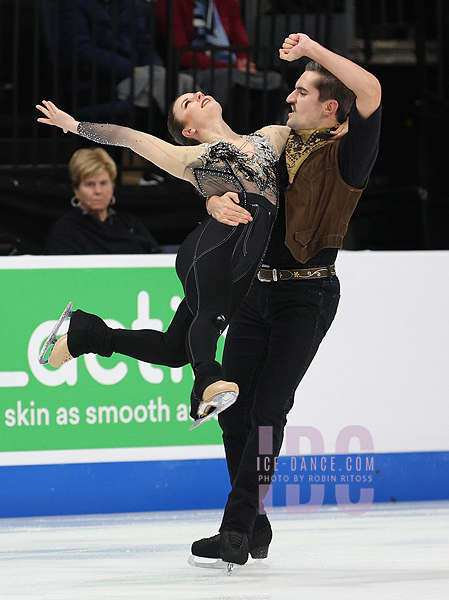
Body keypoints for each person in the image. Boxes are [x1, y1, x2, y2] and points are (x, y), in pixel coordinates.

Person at [190, 32, 382, 566]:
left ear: (329, 106)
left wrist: (313, 51)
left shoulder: (349, 154)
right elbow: (221, 172)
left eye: (301, 91)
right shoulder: (275, 142)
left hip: (308, 294)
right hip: (255, 291)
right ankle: (256, 525)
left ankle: (234, 528)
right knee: (234, 411)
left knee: (271, 406)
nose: (289, 98)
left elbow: (370, 90)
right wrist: (214, 200)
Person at [35, 90, 290, 484]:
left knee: (173, 350)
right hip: (208, 252)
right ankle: (207, 379)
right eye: (187, 101)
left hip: (241, 261)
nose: (199, 95)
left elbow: (312, 134)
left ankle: (86, 335)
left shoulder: (270, 137)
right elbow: (127, 137)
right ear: (187, 130)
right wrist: (75, 126)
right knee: (212, 314)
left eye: (198, 92)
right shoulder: (190, 158)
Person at [154, 0, 284, 125]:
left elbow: (241, 43)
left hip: (233, 67)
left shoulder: (229, 3)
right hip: (195, 68)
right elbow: (182, 53)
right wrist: (232, 67)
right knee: (234, 80)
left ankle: (262, 138)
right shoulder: (170, 3)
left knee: (274, 80)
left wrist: (246, 63)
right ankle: (236, 138)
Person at [57, 0, 193, 116]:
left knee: (182, 81)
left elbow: (146, 46)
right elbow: (82, 51)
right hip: (98, 82)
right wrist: (131, 69)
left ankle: (189, 136)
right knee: (165, 85)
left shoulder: (132, 6)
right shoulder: (74, 5)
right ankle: (178, 139)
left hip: (138, 75)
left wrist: (155, 69)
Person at [44, 147, 160, 255]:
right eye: (90, 184)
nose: (98, 191)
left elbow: (156, 257)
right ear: (76, 189)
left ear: (113, 186)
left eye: (103, 183)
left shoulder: (130, 224)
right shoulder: (65, 231)